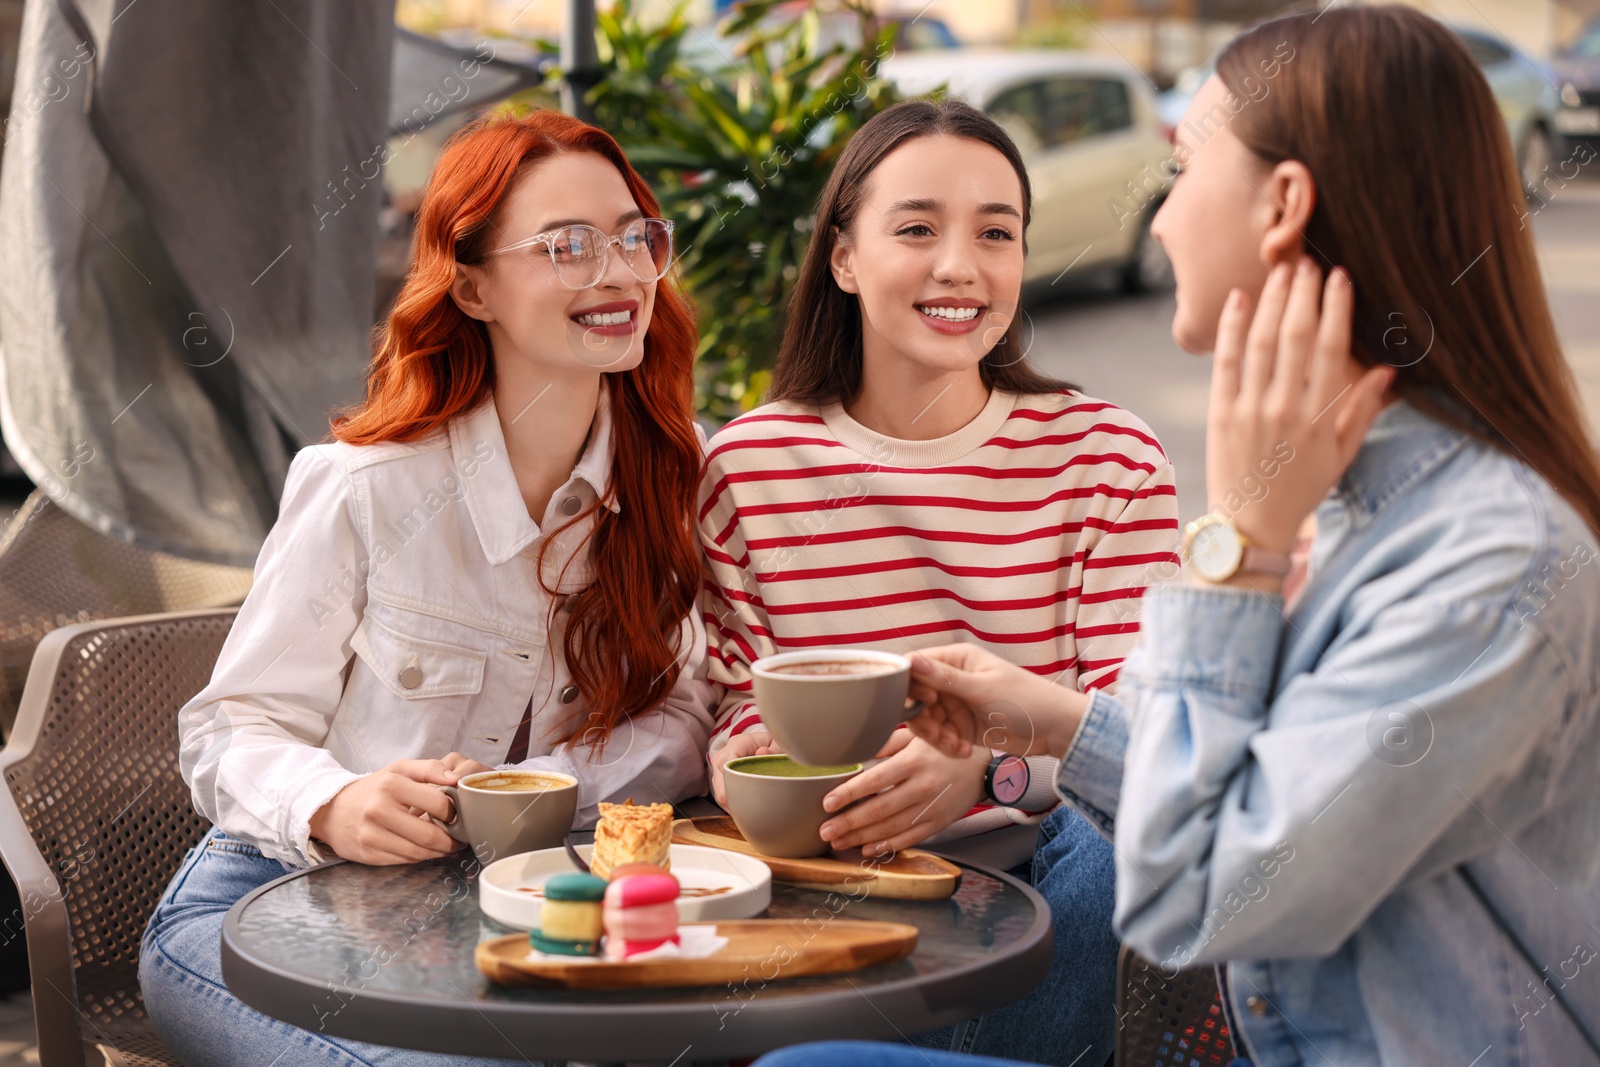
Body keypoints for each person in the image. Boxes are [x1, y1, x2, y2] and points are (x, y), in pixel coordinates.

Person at [753, 6, 1600, 1066]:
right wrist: (1054, 718)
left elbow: (1189, 903)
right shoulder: (1337, 505)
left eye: (1186, 166)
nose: (1155, 219)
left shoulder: (1483, 561)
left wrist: (1236, 553)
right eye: (915, 228)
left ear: (1282, 204)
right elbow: (1221, 785)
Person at [140, 109, 714, 1067]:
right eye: (567, 245)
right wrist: (334, 802)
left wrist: (532, 798)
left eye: (632, 238)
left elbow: (685, 719)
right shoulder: (363, 487)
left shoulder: (670, 487)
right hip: (259, 914)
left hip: (500, 923)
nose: (616, 273)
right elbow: (227, 728)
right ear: (475, 283)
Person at [699, 98, 1180, 1066]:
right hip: (831, 873)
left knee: (1123, 836)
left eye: (995, 233)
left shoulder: (1106, 459)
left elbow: (1148, 729)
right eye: (916, 228)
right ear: (842, 258)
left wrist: (989, 765)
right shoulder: (748, 466)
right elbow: (733, 711)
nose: (960, 265)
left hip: (1045, 869)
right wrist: (817, 787)